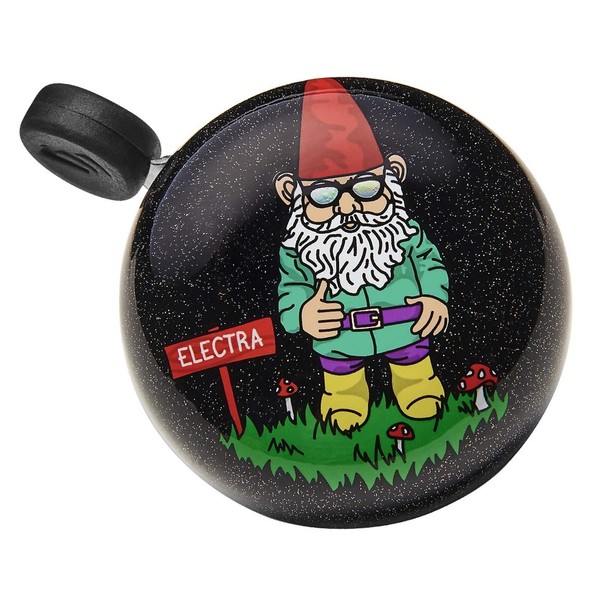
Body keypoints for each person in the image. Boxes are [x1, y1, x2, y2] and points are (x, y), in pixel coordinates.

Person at [275, 78, 449, 432]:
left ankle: (417, 387)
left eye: (366, 188)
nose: (347, 206)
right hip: (339, 338)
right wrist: (303, 315)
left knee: (413, 365)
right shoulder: (299, 249)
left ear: (393, 176)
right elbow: (291, 291)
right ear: (291, 192)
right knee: (342, 381)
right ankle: (344, 400)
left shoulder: (403, 232)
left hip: (406, 327)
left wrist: (435, 297)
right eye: (324, 196)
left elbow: (429, 262)